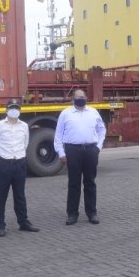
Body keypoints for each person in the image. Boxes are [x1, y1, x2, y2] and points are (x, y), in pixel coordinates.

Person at [53, 89, 107, 225]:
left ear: (86, 98)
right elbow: (58, 135)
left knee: (90, 182)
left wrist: (98, 147)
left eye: (82, 97)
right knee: (74, 183)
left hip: (90, 150)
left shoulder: (93, 112)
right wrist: (61, 152)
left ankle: (92, 213)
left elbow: (102, 130)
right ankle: (72, 214)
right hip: (73, 150)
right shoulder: (66, 113)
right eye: (78, 97)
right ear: (73, 99)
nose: (80, 99)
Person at [0, 100, 39, 236]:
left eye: (17, 108)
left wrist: (18, 157)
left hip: (19, 163)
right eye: (12, 107)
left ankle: (23, 222)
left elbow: (25, 144)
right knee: (0, 196)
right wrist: (2, 159)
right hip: (4, 163)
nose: (14, 110)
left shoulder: (24, 126)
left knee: (20, 195)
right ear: (6, 110)